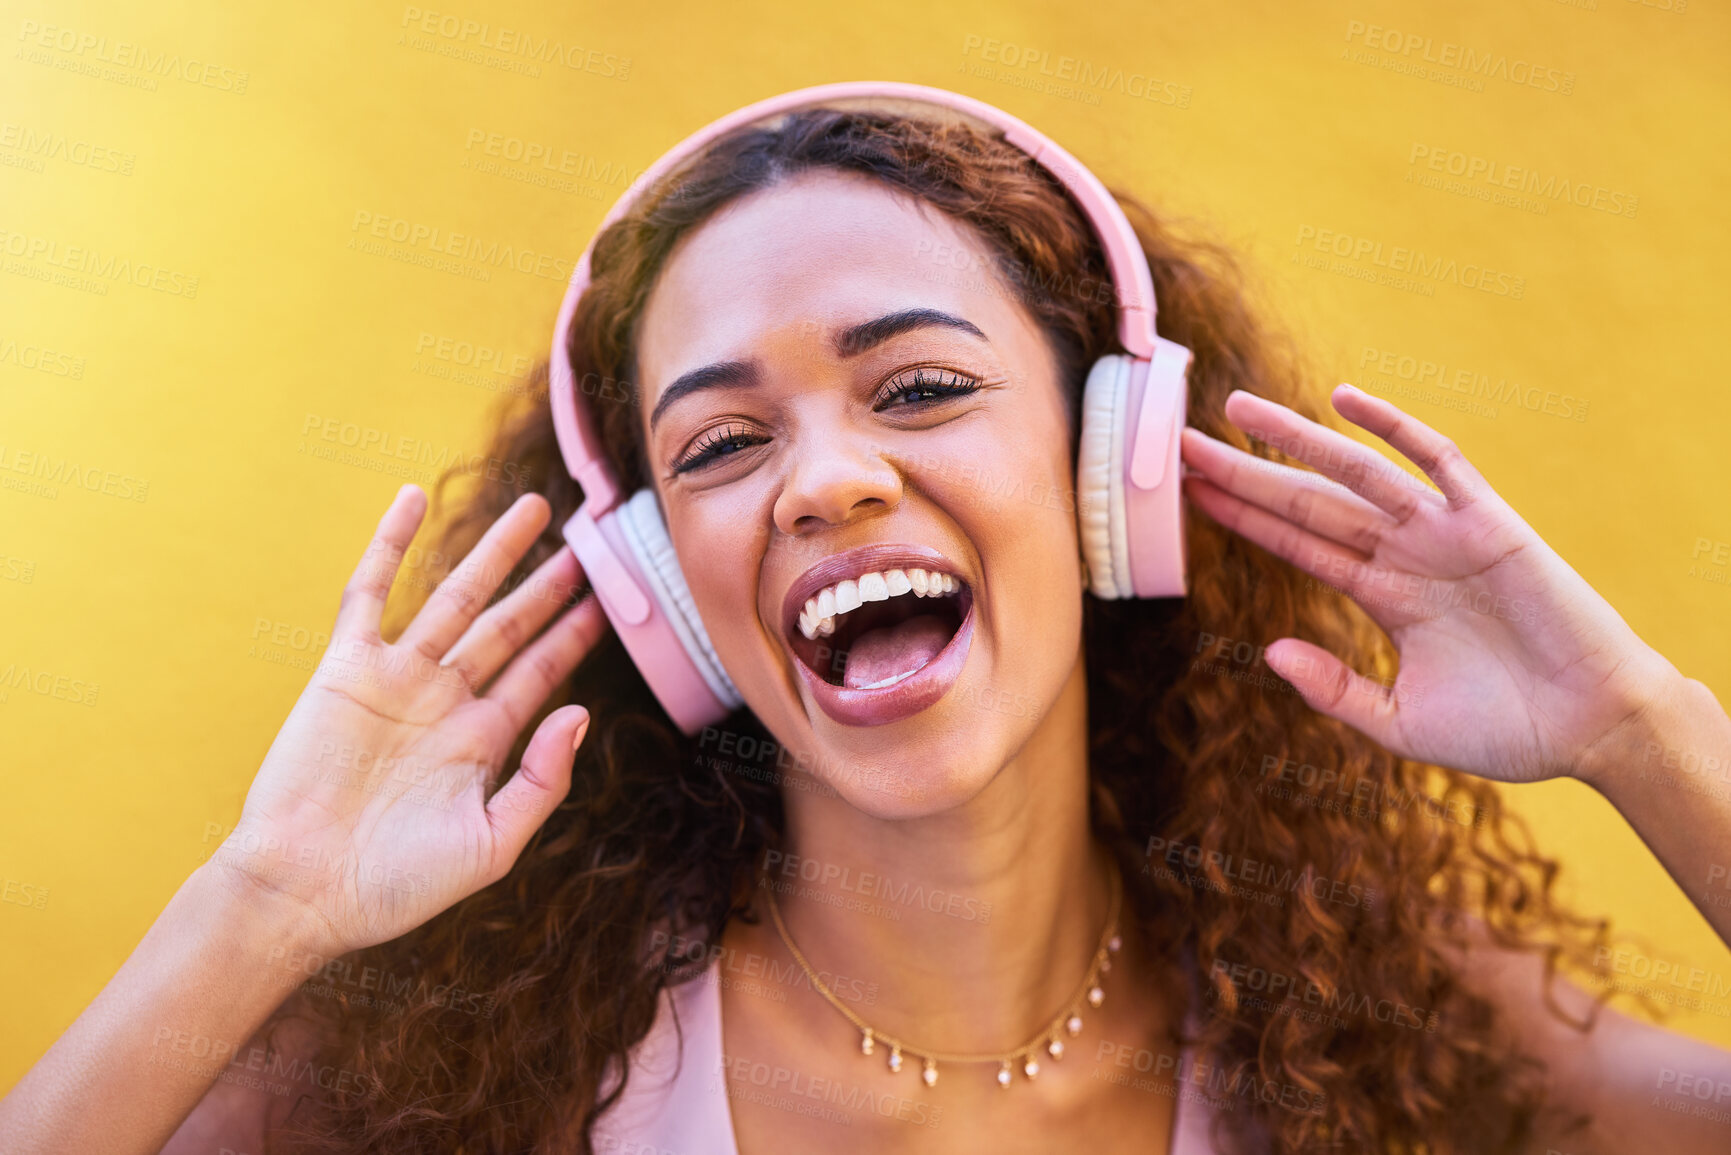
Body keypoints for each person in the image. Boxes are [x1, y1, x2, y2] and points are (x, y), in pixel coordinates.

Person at [4, 90, 1731, 1155]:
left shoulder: (1368, 1030)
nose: (824, 484)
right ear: (665, 589)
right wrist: (261, 904)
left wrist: (1640, 729)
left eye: (917, 387)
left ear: (1105, 468)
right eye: (723, 444)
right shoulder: (490, 1067)